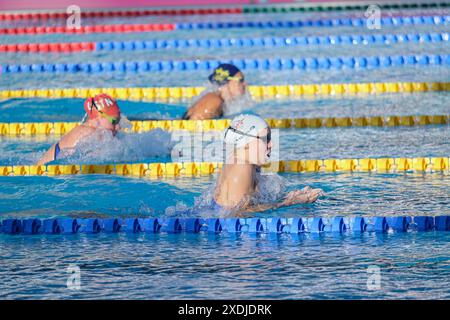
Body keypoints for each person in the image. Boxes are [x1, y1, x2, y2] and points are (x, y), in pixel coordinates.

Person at [213, 114, 323, 216]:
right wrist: (289, 202)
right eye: (266, 139)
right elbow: (237, 214)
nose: (271, 144)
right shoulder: (241, 169)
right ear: (246, 143)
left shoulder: (244, 162)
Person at [36, 93, 121, 165]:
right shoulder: (89, 133)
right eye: (114, 121)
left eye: (119, 120)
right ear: (97, 118)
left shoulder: (88, 130)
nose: (118, 127)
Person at [182, 63, 247, 120]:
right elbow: (194, 124)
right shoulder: (214, 101)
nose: (245, 84)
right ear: (226, 82)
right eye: (241, 80)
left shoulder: (219, 99)